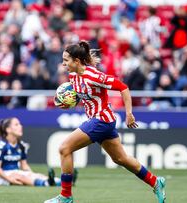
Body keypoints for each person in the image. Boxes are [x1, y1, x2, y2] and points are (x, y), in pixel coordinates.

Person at [44, 41, 166, 203]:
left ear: (77, 61)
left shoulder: (94, 76)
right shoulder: (73, 76)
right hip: (101, 121)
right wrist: (68, 102)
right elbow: (85, 96)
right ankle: (155, 182)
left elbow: (123, 87)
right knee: (121, 159)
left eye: (66, 60)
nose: (63, 63)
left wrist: (129, 113)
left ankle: (66, 197)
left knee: (64, 148)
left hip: (101, 120)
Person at [0, 117, 62, 187]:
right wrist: (9, 179)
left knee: (36, 175)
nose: (20, 126)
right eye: (16, 124)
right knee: (20, 176)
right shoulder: (1, 145)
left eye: (20, 124)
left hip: (15, 172)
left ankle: (61, 182)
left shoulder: (21, 145)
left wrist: (32, 174)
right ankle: (45, 184)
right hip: (0, 177)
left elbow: (24, 165)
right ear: (8, 129)